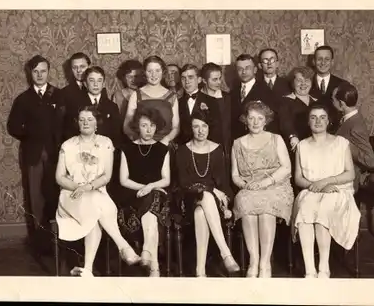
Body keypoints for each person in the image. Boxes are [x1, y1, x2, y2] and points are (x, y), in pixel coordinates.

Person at [55, 106, 141, 277]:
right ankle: (124, 247)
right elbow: (59, 177)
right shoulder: (68, 145)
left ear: (97, 124)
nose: (85, 123)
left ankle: (87, 269)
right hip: (71, 196)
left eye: (90, 119)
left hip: (97, 193)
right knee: (96, 204)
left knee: (95, 206)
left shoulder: (105, 143)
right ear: (77, 123)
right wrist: (78, 188)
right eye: (82, 120)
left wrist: (88, 187)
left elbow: (107, 176)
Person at [292, 103, 360, 278]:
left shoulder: (341, 143)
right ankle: (310, 270)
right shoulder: (302, 146)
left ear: (329, 121)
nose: (318, 121)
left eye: (322, 117)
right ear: (308, 122)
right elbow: (298, 178)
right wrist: (313, 186)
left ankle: (323, 267)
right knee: (305, 209)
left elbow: (350, 174)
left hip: (338, 191)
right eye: (313, 117)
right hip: (311, 191)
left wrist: (327, 182)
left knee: (323, 210)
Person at [231, 101, 294, 278]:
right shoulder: (237, 143)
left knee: (266, 209)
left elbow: (286, 168)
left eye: (260, 118)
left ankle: (265, 263)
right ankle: (254, 261)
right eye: (251, 118)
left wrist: (265, 183)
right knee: (245, 202)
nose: (255, 122)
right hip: (250, 187)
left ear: (266, 120)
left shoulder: (276, 139)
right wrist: (245, 185)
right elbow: (235, 175)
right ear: (245, 120)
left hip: (276, 185)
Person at [7, 54, 62, 256]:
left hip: (57, 155)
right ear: (31, 73)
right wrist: (30, 134)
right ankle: (41, 243)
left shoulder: (58, 95)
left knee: (57, 194)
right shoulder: (23, 99)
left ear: (48, 72)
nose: (40, 75)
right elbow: (13, 126)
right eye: (36, 71)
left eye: (43, 71)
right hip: (33, 155)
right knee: (36, 198)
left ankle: (60, 240)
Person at [176, 110, 240, 277]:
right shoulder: (183, 151)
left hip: (213, 204)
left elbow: (224, 183)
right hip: (188, 200)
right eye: (196, 126)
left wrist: (225, 203)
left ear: (209, 128)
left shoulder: (217, 150)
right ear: (190, 129)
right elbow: (184, 184)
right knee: (204, 196)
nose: (200, 130)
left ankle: (200, 271)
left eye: (204, 126)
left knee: (201, 212)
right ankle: (225, 252)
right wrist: (210, 190)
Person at [117, 106, 171, 277]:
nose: (149, 130)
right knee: (152, 217)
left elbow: (166, 179)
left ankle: (147, 251)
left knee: (154, 198)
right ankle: (154, 267)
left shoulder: (162, 149)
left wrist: (149, 186)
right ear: (137, 127)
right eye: (144, 125)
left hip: (156, 195)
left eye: (152, 126)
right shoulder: (127, 149)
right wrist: (143, 188)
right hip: (134, 197)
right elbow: (123, 180)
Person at [123, 56, 180, 147]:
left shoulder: (172, 96)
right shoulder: (136, 95)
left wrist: (165, 140)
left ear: (163, 72)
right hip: (142, 146)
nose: (154, 75)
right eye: (150, 71)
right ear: (145, 73)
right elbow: (126, 126)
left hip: (165, 146)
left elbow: (176, 127)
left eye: (157, 71)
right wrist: (139, 141)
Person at [332, 82, 374, 192]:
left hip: (348, 181)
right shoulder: (348, 118)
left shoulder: (356, 125)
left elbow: (370, 160)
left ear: (341, 104)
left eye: (333, 100)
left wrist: (346, 145)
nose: (331, 102)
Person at [231, 54, 278, 141]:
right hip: (238, 141)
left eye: (247, 68)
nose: (244, 72)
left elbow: (272, 122)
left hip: (259, 140)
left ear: (255, 69)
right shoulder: (232, 92)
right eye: (240, 69)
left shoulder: (266, 91)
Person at [176, 64, 222, 147]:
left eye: (190, 77)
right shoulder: (177, 102)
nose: (187, 81)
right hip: (184, 149)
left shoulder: (211, 101)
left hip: (205, 148)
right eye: (183, 78)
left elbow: (216, 129)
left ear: (199, 79)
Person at [279, 66, 318, 153]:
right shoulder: (285, 101)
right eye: (299, 80)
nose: (303, 84)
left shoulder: (317, 102)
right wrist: (292, 137)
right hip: (296, 146)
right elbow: (285, 123)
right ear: (293, 83)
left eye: (307, 80)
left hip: (317, 147)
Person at [309, 45, 348, 132]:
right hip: (311, 135)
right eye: (319, 59)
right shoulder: (305, 85)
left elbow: (347, 113)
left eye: (327, 59)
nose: (323, 63)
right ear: (314, 61)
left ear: (332, 62)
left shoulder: (342, 84)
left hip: (337, 135)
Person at [200, 62, 231, 158]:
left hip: (226, 148)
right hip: (205, 148)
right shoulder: (198, 98)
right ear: (204, 80)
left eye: (220, 78)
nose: (219, 82)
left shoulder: (227, 98)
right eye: (214, 79)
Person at [60, 52, 92, 142]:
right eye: (75, 67)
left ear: (89, 67)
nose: (78, 71)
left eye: (82, 67)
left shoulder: (98, 89)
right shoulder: (64, 93)